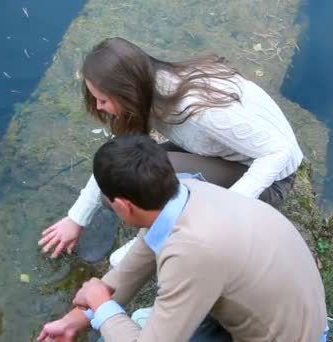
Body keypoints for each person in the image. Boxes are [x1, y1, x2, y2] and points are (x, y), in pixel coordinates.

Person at [37, 135, 328, 342]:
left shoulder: (192, 251)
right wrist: (75, 321)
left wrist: (101, 308)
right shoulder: (185, 191)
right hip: (274, 311)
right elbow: (133, 268)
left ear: (124, 206)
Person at [39, 37, 304, 258]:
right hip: (221, 153)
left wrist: (226, 207)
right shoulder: (153, 89)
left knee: (154, 177)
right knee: (122, 178)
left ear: (127, 92)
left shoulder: (200, 111)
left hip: (273, 181)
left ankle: (159, 238)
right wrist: (76, 219)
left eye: (103, 100)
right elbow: (116, 155)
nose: (98, 107)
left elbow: (279, 151)